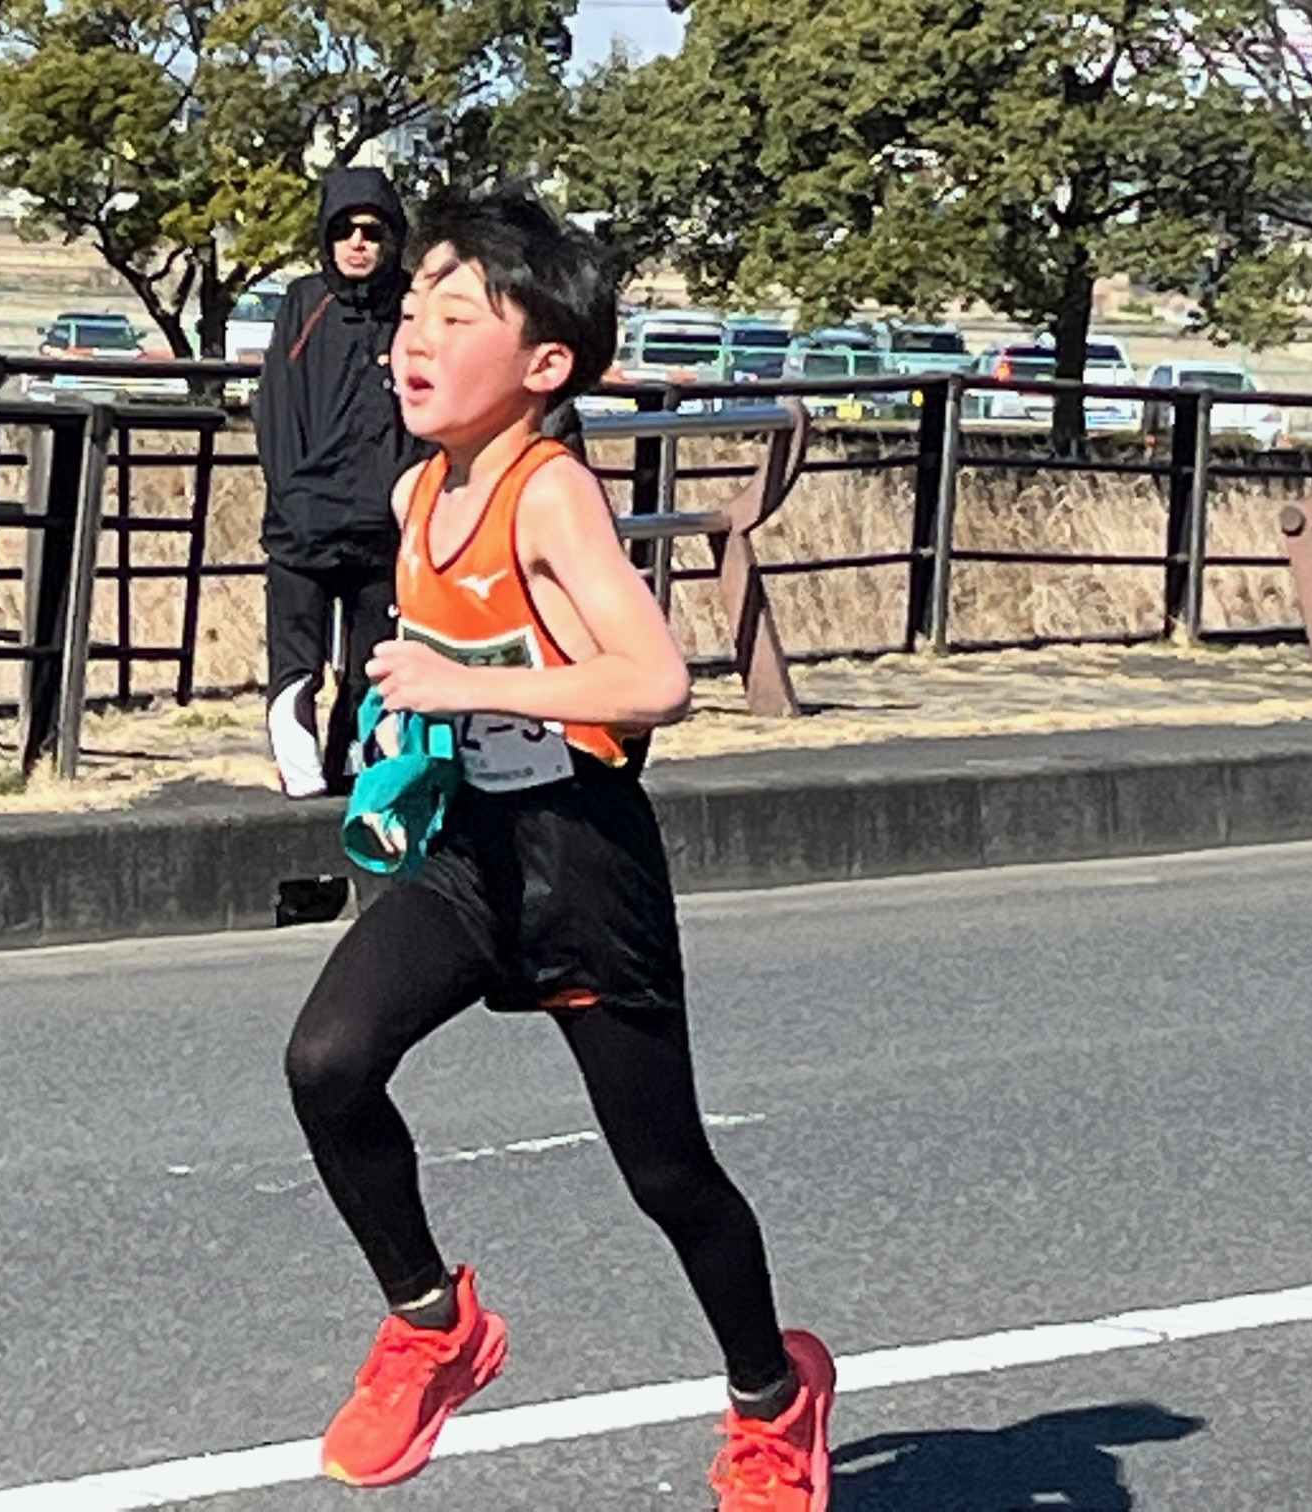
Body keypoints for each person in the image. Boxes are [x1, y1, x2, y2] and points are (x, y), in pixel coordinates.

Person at [282, 187, 836, 1510]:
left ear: (544, 367)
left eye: (455, 315)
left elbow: (654, 680)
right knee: (329, 1062)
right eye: (412, 310)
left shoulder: (550, 494)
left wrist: (464, 686)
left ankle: (774, 1399)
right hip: (471, 852)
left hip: (583, 863)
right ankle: (434, 1326)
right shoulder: (419, 490)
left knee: (667, 1174)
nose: (415, 336)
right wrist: (389, 715)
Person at [255, 166, 427, 798]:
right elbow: (275, 411)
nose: (358, 243)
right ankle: (301, 786)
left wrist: (410, 500)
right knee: (295, 669)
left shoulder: (414, 310)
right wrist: (292, 496)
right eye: (345, 230)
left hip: (383, 533)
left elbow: (432, 411)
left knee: (371, 668)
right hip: (301, 530)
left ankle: (356, 775)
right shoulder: (304, 303)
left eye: (372, 231)